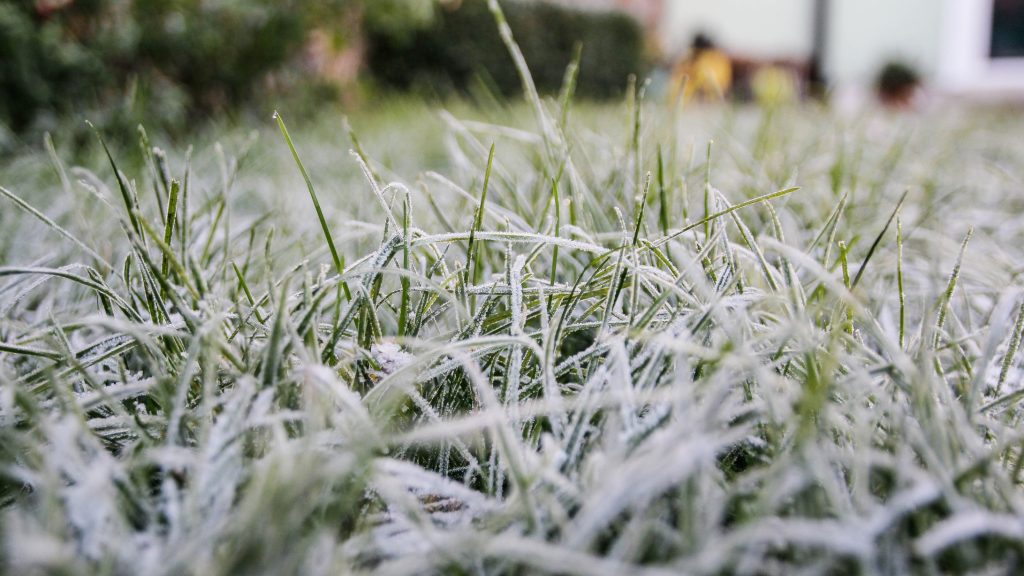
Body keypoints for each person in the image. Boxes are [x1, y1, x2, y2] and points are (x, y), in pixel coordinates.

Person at [669, 33, 732, 104]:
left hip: (707, 100)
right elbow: (677, 76)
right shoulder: (687, 60)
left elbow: (716, 83)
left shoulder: (714, 60)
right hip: (686, 99)